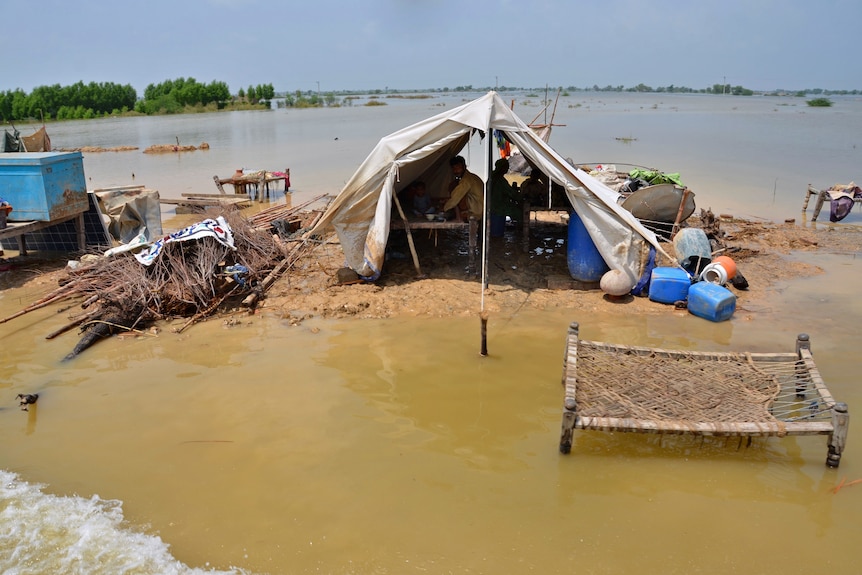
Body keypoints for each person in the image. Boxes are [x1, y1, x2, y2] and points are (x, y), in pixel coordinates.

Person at [441, 155, 484, 221]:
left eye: (458, 168)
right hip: (481, 210)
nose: (456, 171)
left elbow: (455, 199)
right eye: (454, 168)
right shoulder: (473, 177)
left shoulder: (466, 180)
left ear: (464, 166)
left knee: (451, 218)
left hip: (476, 213)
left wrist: (443, 209)